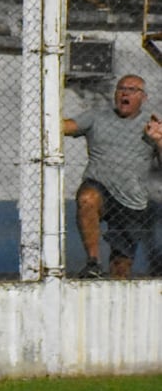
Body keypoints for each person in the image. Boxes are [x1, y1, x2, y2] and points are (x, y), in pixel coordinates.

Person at [63, 74, 162, 279]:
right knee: (87, 198)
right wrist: (43, 107)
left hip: (132, 199)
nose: (125, 93)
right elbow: (65, 126)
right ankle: (93, 262)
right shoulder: (96, 117)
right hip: (100, 185)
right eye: (121, 88)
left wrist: (159, 141)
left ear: (143, 97)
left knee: (121, 268)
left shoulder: (152, 124)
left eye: (132, 90)